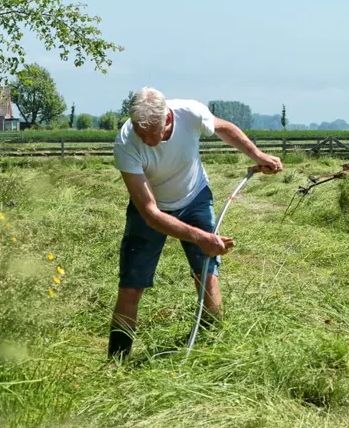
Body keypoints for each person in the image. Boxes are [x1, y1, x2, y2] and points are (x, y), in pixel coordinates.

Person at [108, 87, 283, 361]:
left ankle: (213, 348)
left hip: (195, 198)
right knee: (131, 286)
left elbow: (224, 128)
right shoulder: (126, 141)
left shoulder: (190, 112)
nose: (141, 137)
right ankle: (116, 363)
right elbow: (151, 213)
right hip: (152, 207)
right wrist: (199, 237)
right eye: (138, 131)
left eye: (147, 133)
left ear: (166, 121)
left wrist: (257, 156)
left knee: (207, 275)